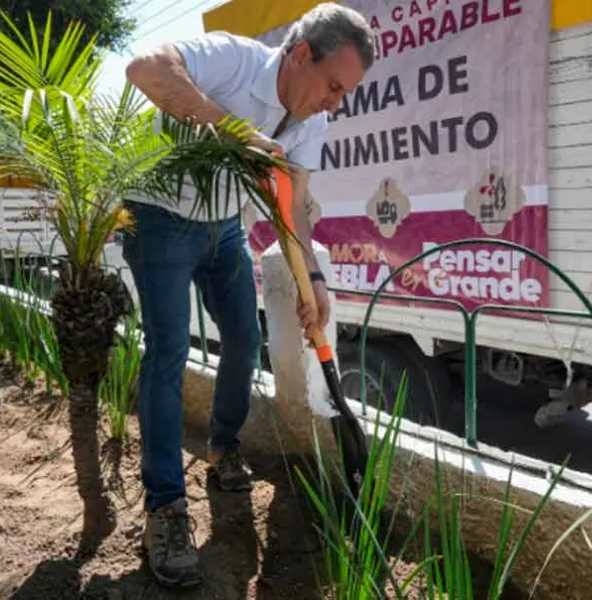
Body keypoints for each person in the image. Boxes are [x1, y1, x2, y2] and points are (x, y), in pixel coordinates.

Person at [124, 3, 374, 588]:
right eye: (334, 86)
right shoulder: (235, 61)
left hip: (224, 226)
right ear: (301, 54)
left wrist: (310, 281)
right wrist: (238, 134)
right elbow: (144, 68)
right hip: (159, 219)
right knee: (166, 352)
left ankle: (222, 447)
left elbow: (294, 214)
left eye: (346, 93)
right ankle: (164, 508)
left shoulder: (313, 121)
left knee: (242, 338)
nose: (335, 102)